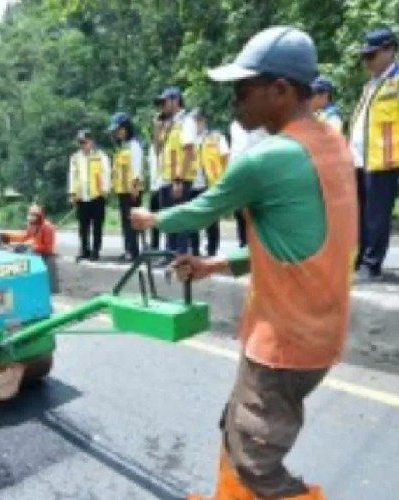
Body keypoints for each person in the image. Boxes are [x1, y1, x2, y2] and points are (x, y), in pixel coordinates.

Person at [131, 26, 355, 500]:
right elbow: (296, 247)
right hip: (319, 332)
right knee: (237, 426)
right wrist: (215, 267)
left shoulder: (269, 158)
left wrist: (151, 218)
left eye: (243, 89)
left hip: (283, 344)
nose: (235, 101)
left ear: (280, 90)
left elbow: (199, 210)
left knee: (255, 460)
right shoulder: (331, 143)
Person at [350, 27, 399, 280]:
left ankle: (372, 265)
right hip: (361, 158)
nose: (367, 62)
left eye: (372, 55)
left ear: (390, 50)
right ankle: (358, 261)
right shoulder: (372, 84)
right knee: (359, 213)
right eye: (364, 57)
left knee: (376, 216)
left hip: (385, 159)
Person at [156, 87, 198, 254]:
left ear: (175, 101)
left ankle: (180, 253)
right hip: (166, 177)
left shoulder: (186, 122)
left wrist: (179, 180)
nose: (162, 105)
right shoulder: (169, 124)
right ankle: (169, 253)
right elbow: (158, 151)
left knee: (180, 218)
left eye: (164, 101)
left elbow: (188, 151)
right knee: (168, 219)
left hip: (179, 179)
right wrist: (157, 129)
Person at [190, 110, 230, 257]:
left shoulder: (216, 137)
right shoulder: (188, 140)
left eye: (199, 120)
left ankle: (212, 249)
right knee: (192, 217)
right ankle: (194, 248)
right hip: (192, 183)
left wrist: (225, 181)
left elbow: (225, 158)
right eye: (194, 121)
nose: (196, 124)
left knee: (211, 219)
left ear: (204, 121)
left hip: (210, 183)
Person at [68, 129, 110, 261]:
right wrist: (72, 193)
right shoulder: (75, 158)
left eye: (84, 142)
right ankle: (84, 249)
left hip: (97, 195)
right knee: (83, 226)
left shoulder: (100, 156)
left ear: (91, 141)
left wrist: (105, 191)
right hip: (82, 196)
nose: (82, 145)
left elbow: (106, 174)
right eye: (80, 143)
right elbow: (72, 176)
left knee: (97, 225)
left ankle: (96, 250)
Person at [108, 112, 144, 260]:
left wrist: (135, 187)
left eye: (119, 129)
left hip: (132, 189)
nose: (117, 133)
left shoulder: (134, 145)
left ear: (126, 128)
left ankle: (134, 251)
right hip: (122, 189)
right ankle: (128, 248)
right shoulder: (122, 146)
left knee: (133, 222)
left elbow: (136, 167)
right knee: (125, 222)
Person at [0, 204, 58, 292]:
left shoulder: (47, 227)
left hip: (46, 256)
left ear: (39, 216)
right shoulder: (32, 226)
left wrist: (32, 246)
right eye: (30, 214)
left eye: (34, 215)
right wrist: (8, 237)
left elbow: (48, 247)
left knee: (49, 287)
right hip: (35, 253)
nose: (31, 217)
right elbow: (24, 236)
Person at [228, 120, 268, 248]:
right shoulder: (234, 126)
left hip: (260, 175)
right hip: (239, 175)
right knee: (240, 216)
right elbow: (235, 151)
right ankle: (244, 247)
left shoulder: (265, 122)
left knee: (258, 217)